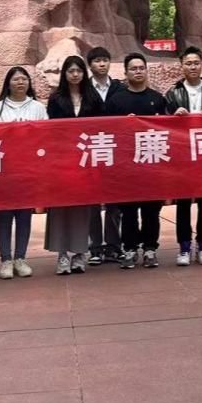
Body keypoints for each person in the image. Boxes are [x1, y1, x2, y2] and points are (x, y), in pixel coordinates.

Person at [104, 52, 169, 269]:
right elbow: (107, 132)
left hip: (152, 164)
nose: (138, 72)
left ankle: (150, 249)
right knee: (129, 211)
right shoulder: (116, 101)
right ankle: (130, 249)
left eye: (141, 68)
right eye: (133, 68)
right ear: (126, 72)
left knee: (151, 211)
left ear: (146, 71)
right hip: (127, 166)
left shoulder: (157, 99)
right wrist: (124, 125)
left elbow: (167, 130)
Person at [45, 56, 103, 275]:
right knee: (60, 208)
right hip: (63, 161)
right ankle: (62, 255)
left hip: (86, 162)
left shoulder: (93, 98)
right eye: (71, 71)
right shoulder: (56, 98)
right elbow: (51, 130)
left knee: (82, 209)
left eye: (79, 70)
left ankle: (79, 253)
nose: (75, 74)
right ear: (65, 74)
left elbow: (102, 128)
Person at [0, 66, 47, 279]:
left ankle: (20, 258)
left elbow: (46, 135)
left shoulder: (37, 107)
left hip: (28, 169)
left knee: (24, 214)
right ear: (8, 83)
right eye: (15, 79)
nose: (20, 82)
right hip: (4, 169)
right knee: (5, 214)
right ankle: (5, 259)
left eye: (24, 79)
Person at [165, 45, 202, 266]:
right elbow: (164, 124)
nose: (192, 67)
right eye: (188, 63)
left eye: (196, 63)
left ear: (201, 64)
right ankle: (184, 247)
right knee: (183, 203)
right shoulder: (173, 93)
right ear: (181, 66)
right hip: (183, 155)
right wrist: (174, 115)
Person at [86, 45, 124, 265]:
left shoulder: (119, 88)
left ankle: (113, 246)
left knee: (114, 202)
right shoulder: (84, 89)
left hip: (114, 151)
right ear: (90, 65)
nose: (102, 64)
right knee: (92, 201)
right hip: (90, 151)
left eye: (105, 60)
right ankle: (95, 248)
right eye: (97, 61)